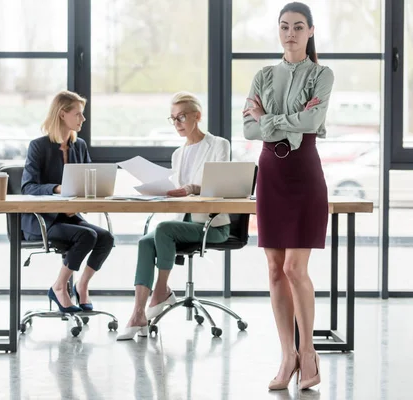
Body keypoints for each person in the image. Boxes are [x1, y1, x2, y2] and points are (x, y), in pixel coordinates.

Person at [243, 1, 333, 391]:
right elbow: (248, 129)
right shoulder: (263, 75)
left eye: (298, 26)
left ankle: (308, 352)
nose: (291, 33)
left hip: (304, 172)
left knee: (297, 269)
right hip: (271, 173)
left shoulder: (322, 74)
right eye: (284, 26)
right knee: (274, 270)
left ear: (311, 31)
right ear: (278, 31)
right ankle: (287, 357)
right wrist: (285, 124)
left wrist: (270, 121)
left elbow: (313, 122)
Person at [117, 91, 231, 341]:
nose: (177, 123)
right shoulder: (178, 155)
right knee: (145, 241)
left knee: (163, 230)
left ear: (197, 116)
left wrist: (192, 188)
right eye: (172, 119)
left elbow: (221, 186)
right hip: (182, 221)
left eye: (181, 117)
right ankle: (138, 314)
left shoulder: (219, 145)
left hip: (212, 224)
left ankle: (161, 291)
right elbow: (180, 192)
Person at [21, 90, 114, 313]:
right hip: (43, 221)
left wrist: (90, 196)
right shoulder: (38, 146)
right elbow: (28, 187)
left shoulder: (79, 145)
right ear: (62, 114)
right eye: (78, 114)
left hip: (70, 217)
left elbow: (87, 182)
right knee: (87, 235)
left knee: (106, 238)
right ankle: (59, 286)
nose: (83, 119)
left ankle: (82, 285)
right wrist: (57, 189)